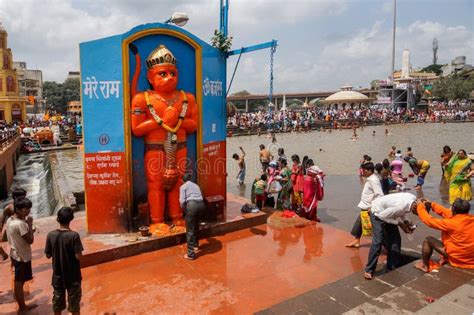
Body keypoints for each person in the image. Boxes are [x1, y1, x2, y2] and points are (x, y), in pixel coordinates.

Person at [364, 192, 417, 280]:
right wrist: (400, 223)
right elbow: (382, 216)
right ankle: (369, 270)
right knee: (378, 241)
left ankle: (391, 266)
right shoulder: (400, 206)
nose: (416, 215)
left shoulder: (412, 199)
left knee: (395, 240)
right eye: (417, 213)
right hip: (377, 213)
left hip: (388, 213)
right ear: (415, 206)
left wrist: (406, 222)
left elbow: (403, 212)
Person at [414, 198, 473, 272]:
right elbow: (447, 213)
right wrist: (432, 204)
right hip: (471, 259)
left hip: (459, 259)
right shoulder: (470, 218)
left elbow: (428, 220)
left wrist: (420, 206)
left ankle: (425, 266)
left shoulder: (451, 223)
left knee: (428, 240)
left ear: (454, 210)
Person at [44, 207, 84, 315]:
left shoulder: (50, 235)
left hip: (57, 277)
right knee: (74, 306)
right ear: (71, 219)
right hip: (73, 277)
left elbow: (48, 255)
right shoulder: (74, 235)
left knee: (57, 306)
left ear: (57, 219)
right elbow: (78, 256)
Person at [6, 197, 37, 312]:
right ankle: (22, 307)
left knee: (20, 281)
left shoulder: (10, 220)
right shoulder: (21, 224)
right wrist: (29, 223)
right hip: (21, 256)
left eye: (29, 208)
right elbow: (30, 240)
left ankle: (22, 305)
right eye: (26, 209)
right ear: (18, 210)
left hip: (15, 253)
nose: (28, 211)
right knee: (19, 282)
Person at [346, 162, 384, 248]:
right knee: (359, 223)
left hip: (370, 208)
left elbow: (379, 194)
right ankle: (356, 240)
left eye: (364, 170)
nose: (363, 172)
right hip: (365, 206)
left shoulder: (374, 180)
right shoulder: (369, 179)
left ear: (370, 171)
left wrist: (373, 206)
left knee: (376, 228)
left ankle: (386, 245)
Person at [179, 174, 205, 260]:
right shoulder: (196, 185)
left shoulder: (183, 187)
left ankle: (190, 254)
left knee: (190, 230)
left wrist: (184, 210)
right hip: (201, 205)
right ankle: (195, 245)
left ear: (183, 180)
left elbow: (182, 201)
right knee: (196, 226)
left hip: (192, 205)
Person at [1, 188, 27, 261]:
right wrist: (1, 230)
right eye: (22, 197)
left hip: (22, 228)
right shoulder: (9, 208)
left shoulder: (24, 206)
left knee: (22, 245)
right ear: (15, 197)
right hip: (12, 229)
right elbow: (2, 220)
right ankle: (13, 262)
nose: (24, 199)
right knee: (13, 246)